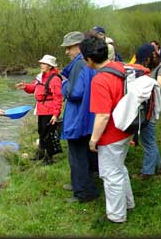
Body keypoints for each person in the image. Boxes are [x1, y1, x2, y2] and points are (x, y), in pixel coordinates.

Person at [82, 37, 134, 224]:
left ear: (89, 59)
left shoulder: (100, 79)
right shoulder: (121, 68)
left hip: (111, 134)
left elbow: (103, 115)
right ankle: (128, 203)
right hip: (127, 129)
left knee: (110, 175)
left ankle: (116, 216)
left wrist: (93, 140)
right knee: (119, 168)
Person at [59, 31, 100, 203]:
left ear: (79, 46)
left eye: (69, 47)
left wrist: (64, 83)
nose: (67, 52)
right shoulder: (91, 62)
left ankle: (83, 193)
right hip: (90, 117)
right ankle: (84, 185)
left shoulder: (78, 64)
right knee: (86, 155)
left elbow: (75, 93)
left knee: (77, 157)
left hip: (78, 117)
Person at [15, 55, 63, 165]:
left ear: (50, 66)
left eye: (44, 63)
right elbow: (33, 88)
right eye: (41, 63)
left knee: (48, 133)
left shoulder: (55, 79)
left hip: (50, 110)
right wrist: (25, 86)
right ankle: (40, 154)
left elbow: (58, 98)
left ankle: (49, 158)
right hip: (41, 109)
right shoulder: (41, 76)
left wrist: (55, 114)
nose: (41, 65)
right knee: (41, 132)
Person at [133, 43, 161, 180]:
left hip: (149, 111)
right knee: (149, 139)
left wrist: (145, 83)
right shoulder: (140, 69)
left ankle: (147, 171)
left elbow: (160, 84)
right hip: (143, 110)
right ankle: (159, 167)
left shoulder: (160, 68)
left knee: (148, 141)